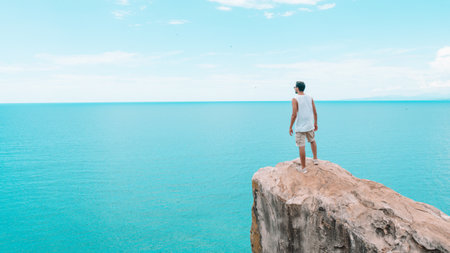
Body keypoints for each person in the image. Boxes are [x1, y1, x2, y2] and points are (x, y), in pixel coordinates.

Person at [289, 81, 318, 173]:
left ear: (297, 88)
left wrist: (290, 127)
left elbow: (294, 114)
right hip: (309, 125)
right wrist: (315, 123)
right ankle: (315, 159)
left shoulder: (295, 99)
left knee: (301, 146)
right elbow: (315, 112)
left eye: (295, 87)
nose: (294, 88)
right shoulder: (310, 98)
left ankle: (304, 168)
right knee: (312, 141)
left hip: (300, 127)